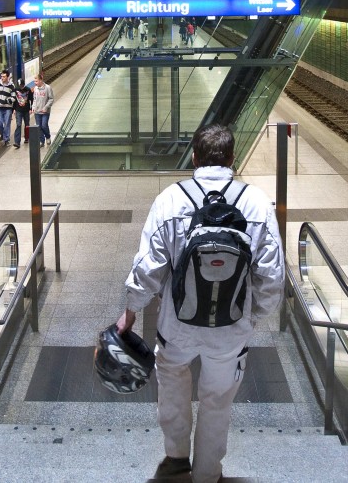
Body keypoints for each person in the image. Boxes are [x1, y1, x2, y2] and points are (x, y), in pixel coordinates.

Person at [117, 124, 284, 483]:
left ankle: (177, 459)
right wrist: (250, 319)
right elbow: (272, 278)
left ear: (193, 157)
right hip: (230, 330)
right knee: (217, 400)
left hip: (176, 326)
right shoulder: (256, 202)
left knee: (173, 384)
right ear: (232, 159)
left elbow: (148, 268)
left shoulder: (170, 200)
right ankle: (208, 474)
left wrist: (130, 312)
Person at [0, 69, 17, 147]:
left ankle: (6, 140)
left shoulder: (11, 86)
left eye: (4, 76)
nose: (2, 78)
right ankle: (3, 135)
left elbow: (14, 97)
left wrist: (9, 100)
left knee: (7, 124)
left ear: (8, 77)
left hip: (8, 108)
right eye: (1, 76)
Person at [29, 74, 55, 147]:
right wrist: (33, 107)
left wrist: (46, 107)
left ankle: (48, 137)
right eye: (34, 81)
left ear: (41, 80)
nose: (35, 83)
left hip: (45, 112)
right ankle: (41, 141)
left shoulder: (47, 88)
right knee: (39, 127)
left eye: (36, 81)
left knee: (44, 125)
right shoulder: (35, 89)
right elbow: (34, 99)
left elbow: (51, 99)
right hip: (37, 112)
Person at [11, 80, 31, 149]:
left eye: (22, 85)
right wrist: (13, 109)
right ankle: (17, 142)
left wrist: (30, 108)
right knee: (18, 124)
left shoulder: (28, 90)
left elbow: (31, 99)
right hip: (18, 110)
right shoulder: (15, 90)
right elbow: (14, 100)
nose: (21, 87)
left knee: (27, 124)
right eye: (20, 86)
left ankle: (26, 137)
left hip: (26, 110)